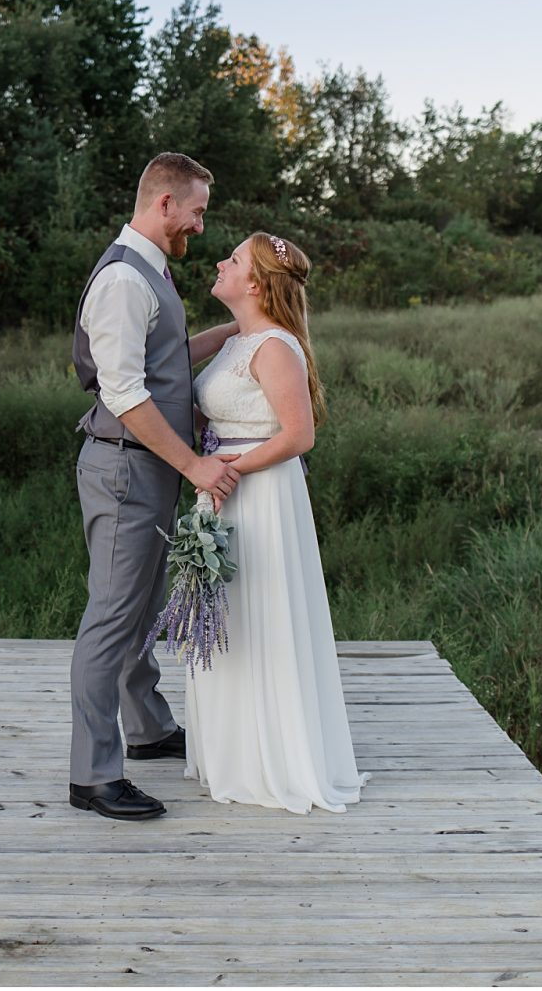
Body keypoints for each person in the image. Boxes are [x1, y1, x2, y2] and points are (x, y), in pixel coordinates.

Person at [69, 152, 244, 821]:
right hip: (124, 466)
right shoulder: (122, 278)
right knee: (112, 617)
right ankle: (92, 775)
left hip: (147, 467)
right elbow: (126, 393)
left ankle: (145, 728)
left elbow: (165, 355)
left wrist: (238, 331)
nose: (200, 226)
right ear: (164, 202)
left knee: (140, 610)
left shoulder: (149, 270)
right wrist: (197, 466)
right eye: (197, 212)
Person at [183, 231, 369, 813]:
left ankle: (274, 759)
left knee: (261, 614)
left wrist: (225, 468)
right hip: (220, 486)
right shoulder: (241, 340)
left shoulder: (276, 348)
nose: (220, 261)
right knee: (229, 617)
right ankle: (232, 753)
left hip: (257, 492)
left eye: (232, 259)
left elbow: (299, 435)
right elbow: (174, 356)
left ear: (256, 282)